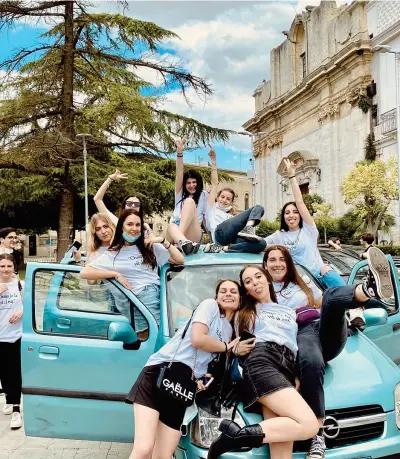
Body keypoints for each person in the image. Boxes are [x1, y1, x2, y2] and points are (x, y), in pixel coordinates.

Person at [207, 247, 394, 459]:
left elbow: (301, 343)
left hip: (285, 367)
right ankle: (236, 437)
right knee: (308, 425)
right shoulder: (245, 311)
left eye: (258, 276)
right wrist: (232, 346)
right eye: (248, 282)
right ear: (246, 290)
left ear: (267, 279)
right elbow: (220, 330)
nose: (255, 282)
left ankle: (368, 290)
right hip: (262, 361)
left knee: (281, 453)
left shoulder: (289, 312)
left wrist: (297, 373)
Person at [125, 279, 254, 459]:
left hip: (183, 387)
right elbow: (197, 339)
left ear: (241, 299)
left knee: (164, 454)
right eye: (223, 291)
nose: (228, 294)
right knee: (144, 448)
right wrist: (227, 347)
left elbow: (210, 365)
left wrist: (205, 380)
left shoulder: (230, 330)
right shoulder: (209, 307)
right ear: (216, 297)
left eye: (233, 291)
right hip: (161, 373)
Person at [80, 209, 184, 334]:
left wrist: (163, 241)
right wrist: (115, 274)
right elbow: (85, 273)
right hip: (141, 304)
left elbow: (179, 260)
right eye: (129, 224)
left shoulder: (149, 246)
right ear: (121, 227)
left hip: (161, 300)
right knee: (154, 339)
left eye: (137, 225)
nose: (134, 228)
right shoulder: (113, 253)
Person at [203, 146, 266, 254]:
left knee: (261, 243)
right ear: (217, 197)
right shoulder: (211, 208)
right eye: (222, 197)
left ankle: (224, 249)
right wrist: (213, 161)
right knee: (257, 208)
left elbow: (234, 223)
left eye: (228, 199)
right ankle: (248, 228)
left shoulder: (231, 217)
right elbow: (215, 183)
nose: (224, 200)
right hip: (220, 235)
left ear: (231, 202)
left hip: (230, 240)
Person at [167, 138, 208, 255]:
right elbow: (179, 173)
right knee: (172, 225)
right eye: (188, 183)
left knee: (189, 202)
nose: (191, 185)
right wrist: (179, 153)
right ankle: (181, 241)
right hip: (175, 231)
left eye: (194, 182)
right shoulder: (180, 194)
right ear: (184, 185)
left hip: (192, 233)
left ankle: (180, 242)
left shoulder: (204, 195)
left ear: (198, 183)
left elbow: (206, 219)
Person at [0, 254, 23, 430]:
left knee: (15, 373)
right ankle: (8, 398)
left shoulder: (20, 284)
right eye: (2, 266)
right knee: (3, 374)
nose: (6, 269)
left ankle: (16, 409)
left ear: (14, 267)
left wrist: (21, 312)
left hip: (16, 336)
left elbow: (29, 304)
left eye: (9, 266)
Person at [94, 169, 151, 238]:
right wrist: (110, 179)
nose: (133, 206)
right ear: (124, 206)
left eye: (136, 204)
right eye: (129, 203)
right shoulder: (115, 222)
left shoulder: (144, 227)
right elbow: (97, 199)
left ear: (140, 208)